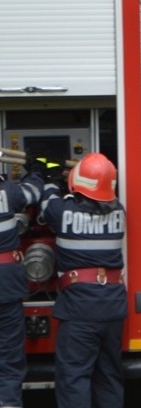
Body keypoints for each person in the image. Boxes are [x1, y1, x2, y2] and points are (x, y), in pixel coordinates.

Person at [39, 153, 127, 408]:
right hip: (112, 306)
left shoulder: (61, 211)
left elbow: (46, 203)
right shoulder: (119, 212)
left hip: (79, 309)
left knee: (74, 377)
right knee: (108, 376)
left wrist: (49, 177)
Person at [0, 160, 44, 408]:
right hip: (6, 285)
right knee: (9, 353)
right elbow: (32, 193)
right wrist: (37, 171)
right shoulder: (8, 192)